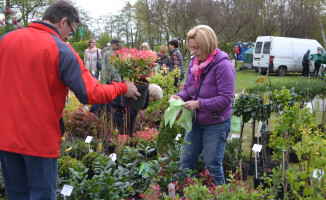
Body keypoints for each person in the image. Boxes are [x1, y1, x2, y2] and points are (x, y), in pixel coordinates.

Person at [0, 1, 140, 200]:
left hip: (5, 137)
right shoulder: (60, 48)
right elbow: (90, 93)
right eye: (71, 30)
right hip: (39, 140)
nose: (68, 36)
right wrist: (123, 87)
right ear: (64, 21)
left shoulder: (5, 40)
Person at [171, 25, 235, 185]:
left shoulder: (223, 65)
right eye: (191, 48)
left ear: (208, 44)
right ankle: (186, 194)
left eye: (197, 48)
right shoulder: (194, 62)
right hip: (195, 122)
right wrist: (179, 97)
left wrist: (199, 104)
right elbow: (187, 89)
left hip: (216, 123)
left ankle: (219, 196)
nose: (193, 52)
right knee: (186, 163)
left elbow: (226, 99)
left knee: (212, 166)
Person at [91, 83, 163, 136]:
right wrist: (129, 136)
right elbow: (130, 118)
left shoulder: (140, 90)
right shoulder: (140, 97)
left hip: (104, 101)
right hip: (105, 105)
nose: (153, 101)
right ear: (151, 95)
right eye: (154, 99)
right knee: (116, 126)